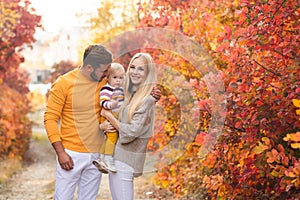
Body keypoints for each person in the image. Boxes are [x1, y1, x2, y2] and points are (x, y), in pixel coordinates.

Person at [44, 44, 114, 200]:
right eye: (104, 70)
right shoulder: (64, 83)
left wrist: (151, 94)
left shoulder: (104, 82)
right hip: (71, 153)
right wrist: (61, 152)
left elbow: (130, 86)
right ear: (89, 67)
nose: (107, 74)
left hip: (96, 154)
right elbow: (50, 118)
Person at [100, 52, 157, 200]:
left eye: (141, 69)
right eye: (132, 67)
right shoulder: (128, 93)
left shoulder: (147, 100)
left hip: (126, 160)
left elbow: (131, 132)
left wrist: (109, 116)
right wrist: (103, 125)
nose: (135, 72)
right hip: (117, 157)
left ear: (148, 73)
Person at [93, 63, 125, 173]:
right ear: (108, 78)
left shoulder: (120, 89)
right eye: (115, 77)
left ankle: (101, 157)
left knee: (107, 138)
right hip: (106, 117)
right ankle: (108, 158)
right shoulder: (107, 88)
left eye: (121, 78)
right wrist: (111, 104)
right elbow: (103, 102)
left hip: (114, 116)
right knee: (112, 136)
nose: (118, 81)